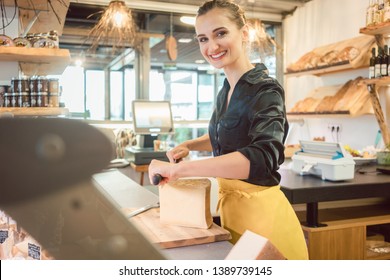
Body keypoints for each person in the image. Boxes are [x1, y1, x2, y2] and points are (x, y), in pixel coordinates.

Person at [148, 0, 308, 260]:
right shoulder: (226, 90)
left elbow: (260, 157)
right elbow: (225, 136)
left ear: (243, 34)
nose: (211, 47)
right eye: (203, 39)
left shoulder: (266, 90)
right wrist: (190, 146)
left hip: (265, 222)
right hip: (234, 215)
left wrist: (179, 170)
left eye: (220, 33)